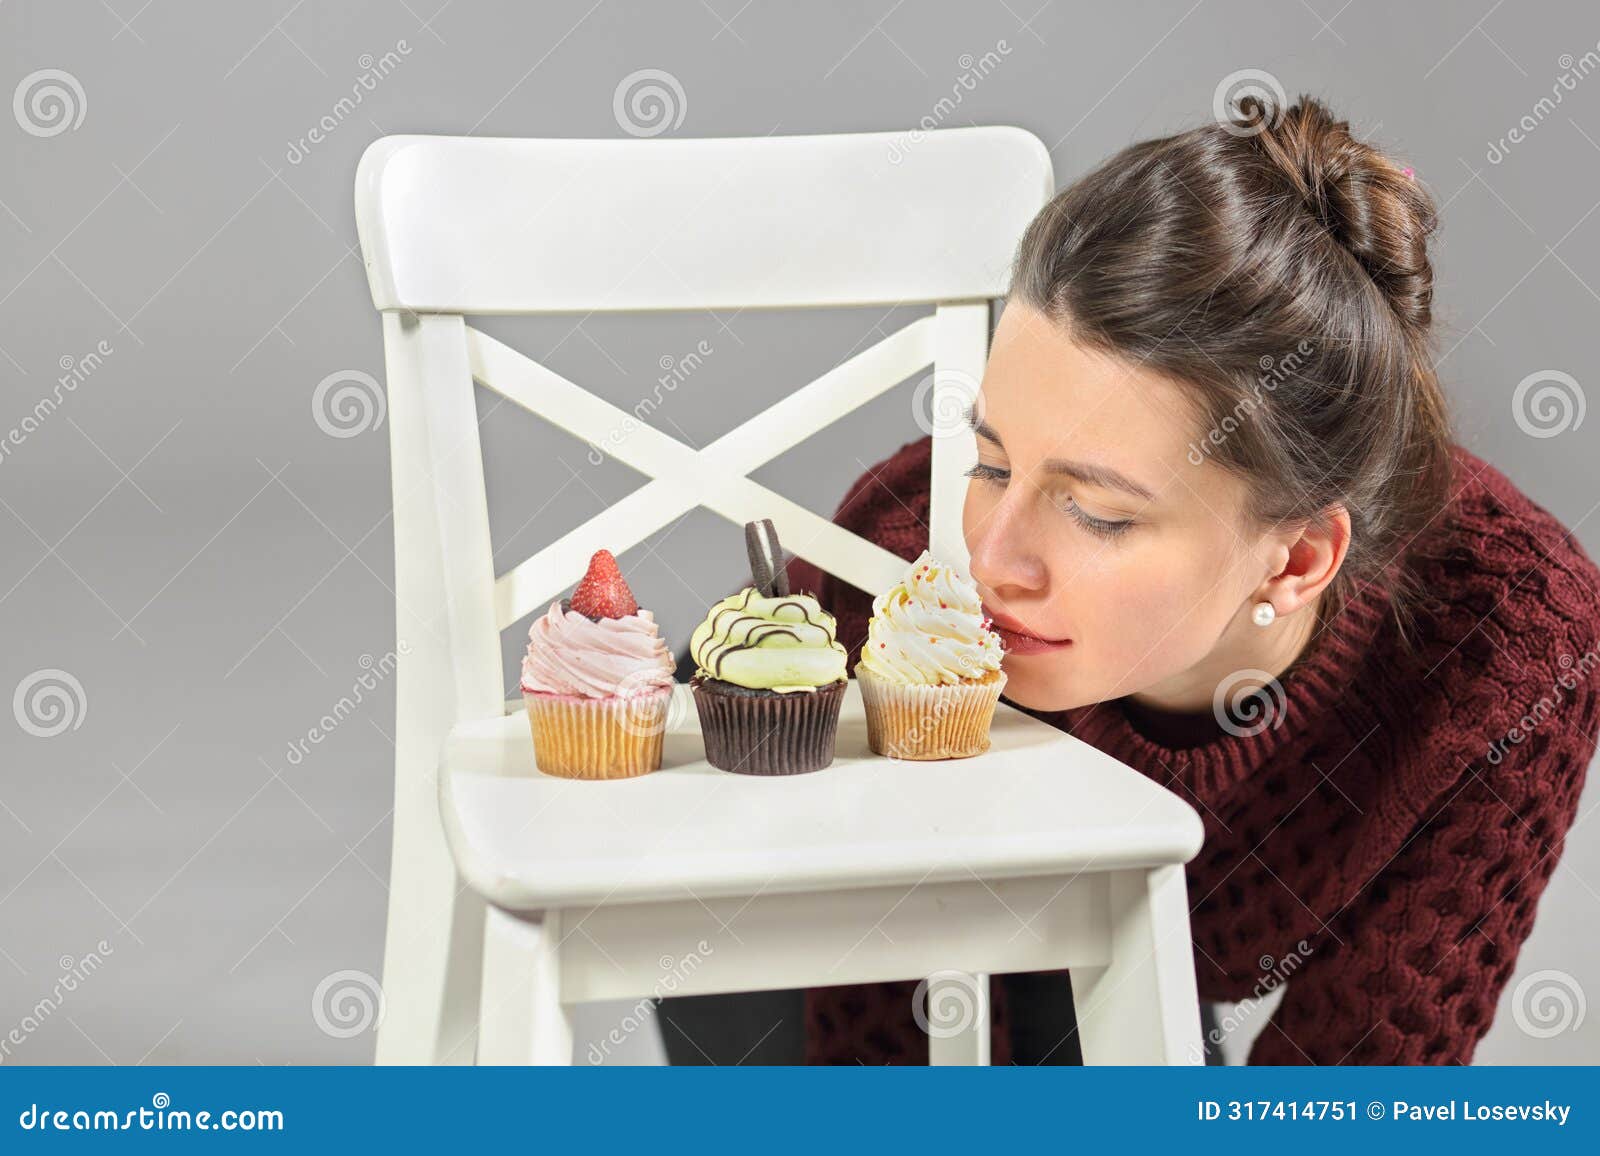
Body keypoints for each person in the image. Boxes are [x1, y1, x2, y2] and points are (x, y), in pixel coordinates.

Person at [667, 94, 1600, 1065]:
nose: (989, 561)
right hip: (789, 810)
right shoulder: (888, 575)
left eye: (1098, 513)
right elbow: (882, 1060)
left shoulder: (1511, 641)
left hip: (1122, 930)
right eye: (989, 463)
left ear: (1296, 558)